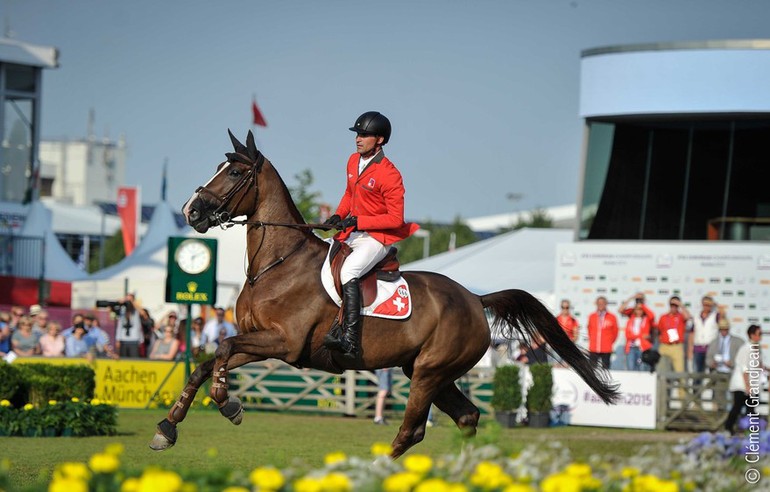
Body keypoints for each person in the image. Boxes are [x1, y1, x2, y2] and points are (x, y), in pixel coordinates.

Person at [322, 111, 420, 359]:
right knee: (318, 255)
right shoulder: (352, 161)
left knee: (348, 272)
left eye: (364, 135)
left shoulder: (390, 174)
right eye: (357, 134)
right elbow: (349, 194)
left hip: (378, 238)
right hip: (353, 233)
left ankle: (350, 340)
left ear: (380, 140)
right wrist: (339, 215)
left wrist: (359, 221)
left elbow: (395, 218)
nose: (358, 139)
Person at [725, 325, 762, 434]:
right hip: (741, 384)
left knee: (751, 409)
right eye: (759, 334)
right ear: (752, 335)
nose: (760, 337)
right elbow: (744, 368)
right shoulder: (746, 348)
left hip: (750, 384)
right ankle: (728, 428)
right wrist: (747, 386)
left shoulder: (756, 348)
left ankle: (749, 431)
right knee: (737, 407)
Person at [655, 296, 691, 372]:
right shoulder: (663, 317)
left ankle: (681, 384)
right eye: (672, 305)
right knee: (661, 369)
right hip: (664, 346)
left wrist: (680, 304)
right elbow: (659, 330)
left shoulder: (681, 316)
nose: (674, 307)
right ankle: (662, 384)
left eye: (676, 305)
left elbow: (688, 317)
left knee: (679, 370)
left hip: (676, 346)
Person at [586, 296, 619, 369]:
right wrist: (593, 339)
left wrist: (609, 342)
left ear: (606, 304)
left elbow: (615, 332)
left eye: (602, 303)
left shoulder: (612, 317)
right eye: (599, 303)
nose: (600, 305)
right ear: (596, 304)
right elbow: (589, 330)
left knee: (605, 371)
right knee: (592, 370)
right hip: (594, 348)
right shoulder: (592, 316)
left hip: (606, 349)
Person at [690, 296, 721, 373]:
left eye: (709, 305)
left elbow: (723, 315)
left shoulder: (715, 315)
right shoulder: (696, 316)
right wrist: (690, 349)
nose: (707, 307)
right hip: (698, 348)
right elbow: (692, 333)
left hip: (711, 347)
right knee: (697, 371)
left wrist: (716, 305)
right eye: (705, 304)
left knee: (712, 371)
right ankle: (696, 385)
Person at [623, 303, 653, 371]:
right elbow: (628, 335)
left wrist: (642, 305)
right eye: (637, 309)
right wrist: (640, 336)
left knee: (642, 368)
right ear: (634, 310)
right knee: (631, 369)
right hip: (631, 348)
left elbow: (652, 315)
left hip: (642, 348)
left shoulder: (646, 319)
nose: (639, 311)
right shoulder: (630, 321)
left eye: (641, 310)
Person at [114, 293, 144, 358]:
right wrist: (117, 339)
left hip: (134, 340)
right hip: (123, 340)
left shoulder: (136, 310)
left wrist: (132, 302)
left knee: (134, 359)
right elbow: (119, 326)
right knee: (123, 359)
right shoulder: (122, 310)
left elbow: (142, 313)